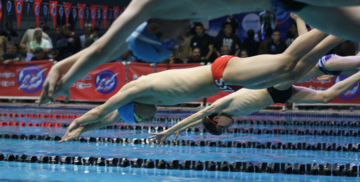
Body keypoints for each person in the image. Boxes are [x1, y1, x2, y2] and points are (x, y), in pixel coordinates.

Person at [39, 0, 360, 104]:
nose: (181, 36)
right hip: (286, 1)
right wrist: (62, 68)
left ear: (156, 30)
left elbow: (102, 47)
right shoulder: (160, 19)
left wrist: (65, 77)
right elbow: (112, 47)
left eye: (171, 40)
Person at [58, 23, 352, 142]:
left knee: (288, 62)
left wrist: (77, 123)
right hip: (228, 81)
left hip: (222, 73)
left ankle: (336, 21)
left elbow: (101, 111)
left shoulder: (137, 89)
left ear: (136, 108)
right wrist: (84, 132)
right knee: (290, 71)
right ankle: (340, 28)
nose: (146, 120)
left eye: (138, 119)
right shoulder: (151, 100)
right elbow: (110, 119)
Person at [149, 68, 360, 145]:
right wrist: (181, 131)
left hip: (272, 87)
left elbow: (199, 114)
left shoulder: (223, 104)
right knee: (326, 98)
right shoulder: (225, 114)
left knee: (304, 70)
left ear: (216, 119)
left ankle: (326, 63)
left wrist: (169, 130)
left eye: (222, 128)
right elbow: (198, 120)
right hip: (279, 96)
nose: (227, 127)